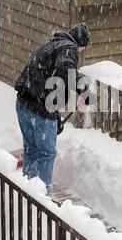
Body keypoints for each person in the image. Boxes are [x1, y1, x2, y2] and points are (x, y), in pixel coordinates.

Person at [15, 23, 90, 193]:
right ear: (81, 45)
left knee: (31, 150)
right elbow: (65, 69)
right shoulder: (69, 48)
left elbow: (50, 80)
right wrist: (83, 90)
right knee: (46, 154)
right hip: (39, 109)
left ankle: (28, 192)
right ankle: (43, 199)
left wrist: (55, 117)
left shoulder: (52, 45)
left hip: (23, 103)